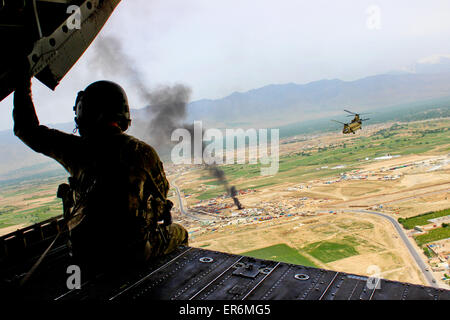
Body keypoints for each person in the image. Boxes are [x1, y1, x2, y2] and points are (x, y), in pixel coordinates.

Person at [13, 70, 188, 275]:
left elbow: (26, 129)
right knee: (180, 233)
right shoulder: (143, 152)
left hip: (86, 254)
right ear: (123, 114)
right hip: (133, 253)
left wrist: (22, 80)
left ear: (84, 112)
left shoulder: (74, 149)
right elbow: (161, 197)